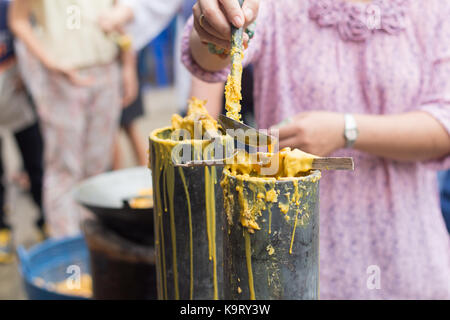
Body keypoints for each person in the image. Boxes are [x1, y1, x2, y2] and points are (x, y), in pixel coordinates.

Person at [182, 0, 450, 299]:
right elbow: (209, 57)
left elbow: (444, 123)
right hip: (289, 248)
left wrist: (346, 130)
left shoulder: (433, 8)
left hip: (407, 251)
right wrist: (214, 29)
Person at [9, 0, 138, 238]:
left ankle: (94, 241)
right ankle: (67, 247)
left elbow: (120, 12)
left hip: (107, 71)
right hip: (62, 78)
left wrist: (129, 64)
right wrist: (50, 62)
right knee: (64, 168)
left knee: (98, 166)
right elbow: (18, 20)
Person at [0, 0, 46, 263]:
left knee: (35, 163)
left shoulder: (9, 8)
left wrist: (25, 73)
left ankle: (46, 222)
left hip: (18, 100)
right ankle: (3, 231)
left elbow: (30, 33)